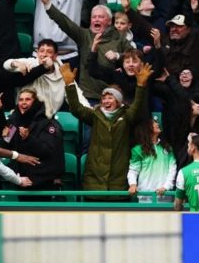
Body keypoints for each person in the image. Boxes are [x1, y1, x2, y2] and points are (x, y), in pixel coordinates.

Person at [61, 62, 151, 195]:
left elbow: (138, 107)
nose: (106, 101)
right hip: (94, 182)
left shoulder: (127, 115)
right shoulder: (95, 116)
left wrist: (141, 87)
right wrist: (69, 86)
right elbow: (76, 109)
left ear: (119, 102)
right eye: (104, 98)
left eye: (110, 98)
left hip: (118, 183)